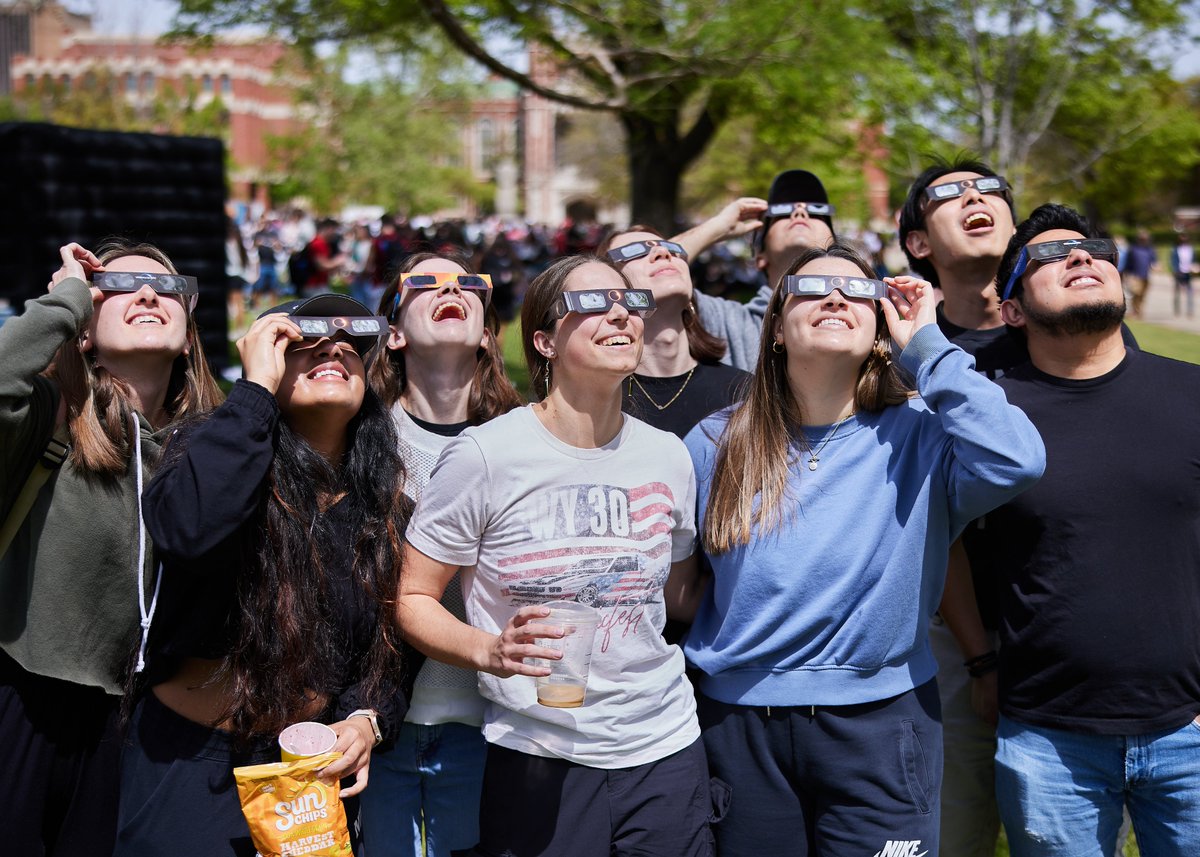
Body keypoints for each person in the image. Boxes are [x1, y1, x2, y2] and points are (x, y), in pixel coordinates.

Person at [683, 243, 1045, 856]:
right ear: (774, 328)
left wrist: (927, 345)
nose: (834, 297)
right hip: (740, 727)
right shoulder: (714, 441)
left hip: (882, 722)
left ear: (880, 328)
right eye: (812, 288)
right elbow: (682, 585)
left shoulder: (925, 433)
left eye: (856, 291)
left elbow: (1017, 459)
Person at [398, 256, 719, 857]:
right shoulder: (486, 456)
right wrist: (488, 650)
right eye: (593, 303)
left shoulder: (669, 456)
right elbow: (414, 597)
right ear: (544, 341)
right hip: (537, 756)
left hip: (665, 747)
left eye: (629, 302)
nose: (621, 311)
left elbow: (676, 595)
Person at [117, 295, 408, 855]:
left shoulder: (387, 511)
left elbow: (394, 648)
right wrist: (253, 395)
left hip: (305, 775)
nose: (334, 346)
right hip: (189, 764)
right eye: (303, 338)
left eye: (351, 342)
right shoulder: (212, 444)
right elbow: (189, 529)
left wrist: (368, 720)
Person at [977, 204, 1200, 857]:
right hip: (1048, 738)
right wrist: (979, 660)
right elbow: (949, 548)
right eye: (1047, 255)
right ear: (1012, 309)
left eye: (1091, 247)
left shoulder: (1192, 393)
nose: (1080, 256)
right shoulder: (987, 414)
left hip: (1188, 731)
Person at [0, 240, 222, 856]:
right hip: (21, 697)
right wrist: (65, 296)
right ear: (87, 331)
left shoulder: (210, 451)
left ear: (187, 337)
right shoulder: (49, 413)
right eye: (118, 284)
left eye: (168, 288)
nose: (148, 294)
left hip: (135, 723)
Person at [361, 253, 524, 857]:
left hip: (491, 725)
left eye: (467, 284)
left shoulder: (523, 442)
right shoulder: (357, 437)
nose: (448, 289)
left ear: (486, 332)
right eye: (424, 282)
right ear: (395, 332)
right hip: (378, 726)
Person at [673, 169, 837, 370]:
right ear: (760, 258)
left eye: (815, 211)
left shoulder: (861, 317)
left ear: (836, 250)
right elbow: (639, 280)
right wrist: (715, 228)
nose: (799, 212)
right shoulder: (727, 323)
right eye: (783, 213)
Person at [600, 227, 749, 438]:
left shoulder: (743, 392)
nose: (662, 253)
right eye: (634, 251)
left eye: (671, 248)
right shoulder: (596, 402)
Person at [1119, 229, 1157, 318]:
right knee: (1136, 293)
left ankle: (1139, 311)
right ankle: (1135, 311)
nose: (1144, 240)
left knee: (1142, 295)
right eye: (1142, 238)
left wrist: (1156, 266)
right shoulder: (1133, 249)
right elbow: (1128, 262)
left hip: (1146, 276)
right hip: (1135, 276)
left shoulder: (1150, 250)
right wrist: (1125, 274)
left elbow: (1154, 261)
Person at [1170, 231, 1195, 318]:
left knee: (1190, 293)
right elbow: (1173, 261)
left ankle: (1190, 311)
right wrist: (1175, 270)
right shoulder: (1175, 249)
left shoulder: (1190, 249)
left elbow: (1192, 261)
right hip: (1179, 272)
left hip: (1188, 273)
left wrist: (1193, 267)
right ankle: (1177, 310)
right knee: (1177, 293)